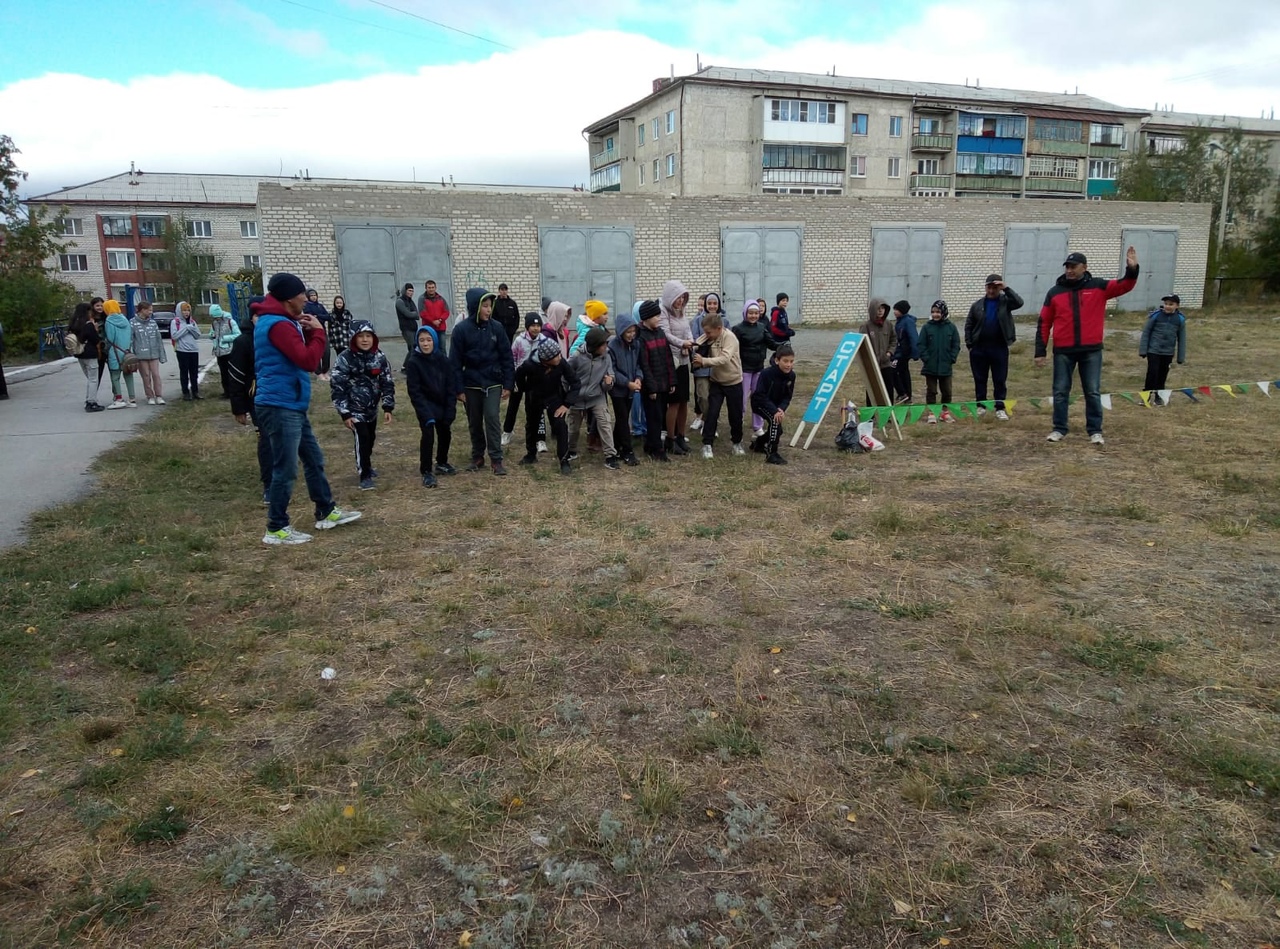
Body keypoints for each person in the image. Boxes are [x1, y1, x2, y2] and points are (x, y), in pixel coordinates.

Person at [255, 272, 360, 546]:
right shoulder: (278, 325)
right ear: (289, 298)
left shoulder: (281, 320)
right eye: (301, 293)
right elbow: (308, 361)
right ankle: (276, 527)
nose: (305, 298)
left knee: (313, 459)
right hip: (280, 405)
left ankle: (326, 510)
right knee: (286, 468)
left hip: (291, 403)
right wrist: (318, 333)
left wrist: (308, 330)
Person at [1036, 248, 1139, 445]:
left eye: (1073, 267)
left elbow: (1124, 285)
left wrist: (1132, 269)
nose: (1069, 270)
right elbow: (1044, 321)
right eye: (1067, 267)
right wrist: (1040, 351)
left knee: (1092, 391)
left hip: (1091, 350)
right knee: (1060, 392)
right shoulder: (1055, 292)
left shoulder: (1099, 286)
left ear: (1084, 267)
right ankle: (1059, 429)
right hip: (1063, 351)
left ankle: (1095, 431)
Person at [450, 287, 514, 475]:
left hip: (492, 381)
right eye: (484, 306)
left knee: (492, 417)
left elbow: (507, 357)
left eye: (490, 306)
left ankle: (496, 459)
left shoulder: (497, 328)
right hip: (471, 384)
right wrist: (458, 389)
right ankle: (477, 456)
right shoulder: (461, 330)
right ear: (475, 307)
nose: (488, 309)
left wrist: (508, 384)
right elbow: (454, 362)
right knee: (474, 421)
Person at [330, 319, 395, 491]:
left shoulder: (379, 357)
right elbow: (337, 386)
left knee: (370, 437)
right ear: (353, 338)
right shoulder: (345, 358)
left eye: (368, 336)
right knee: (362, 437)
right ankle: (364, 474)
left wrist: (387, 406)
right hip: (354, 410)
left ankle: (367, 464)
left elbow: (387, 381)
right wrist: (345, 413)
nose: (365, 340)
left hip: (371, 409)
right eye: (361, 336)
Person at [226, 297, 272, 501]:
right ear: (252, 317)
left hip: (279, 396)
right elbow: (235, 377)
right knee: (266, 438)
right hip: (257, 397)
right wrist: (239, 408)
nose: (262, 320)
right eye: (258, 316)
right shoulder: (243, 342)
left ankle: (283, 476)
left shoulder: (275, 337)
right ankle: (269, 485)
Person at [405, 325, 461, 488]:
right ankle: (426, 471)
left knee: (445, 432)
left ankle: (442, 462)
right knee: (428, 435)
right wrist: (425, 413)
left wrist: (450, 408)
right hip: (425, 405)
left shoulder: (443, 360)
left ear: (434, 341)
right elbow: (414, 391)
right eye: (422, 340)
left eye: (428, 340)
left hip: (442, 403)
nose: (425, 344)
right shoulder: (414, 362)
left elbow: (450, 386)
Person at [963, 274, 1023, 420]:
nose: (991, 291)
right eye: (989, 287)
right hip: (979, 348)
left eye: (994, 288)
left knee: (999, 379)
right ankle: (981, 406)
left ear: (999, 288)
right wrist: (970, 344)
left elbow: (1019, 302)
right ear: (985, 288)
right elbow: (969, 325)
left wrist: (1006, 289)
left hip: (999, 347)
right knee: (980, 379)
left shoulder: (1006, 302)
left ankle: (1000, 408)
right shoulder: (977, 305)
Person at [515, 339, 578, 475]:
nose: (560, 357)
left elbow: (575, 382)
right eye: (556, 356)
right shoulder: (529, 365)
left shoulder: (561, 362)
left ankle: (564, 460)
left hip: (554, 397)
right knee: (532, 425)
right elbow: (519, 376)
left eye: (559, 354)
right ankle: (531, 454)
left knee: (560, 425)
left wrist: (566, 404)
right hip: (535, 397)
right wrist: (526, 389)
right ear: (546, 360)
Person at [692, 311, 745, 458]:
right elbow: (696, 345)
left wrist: (704, 361)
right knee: (711, 412)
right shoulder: (708, 336)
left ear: (719, 329)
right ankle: (707, 444)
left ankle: (737, 443)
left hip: (733, 381)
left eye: (709, 332)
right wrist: (693, 347)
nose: (706, 335)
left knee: (735, 414)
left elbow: (724, 359)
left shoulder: (730, 338)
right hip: (716, 382)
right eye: (705, 332)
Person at [567, 326, 620, 470]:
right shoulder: (577, 356)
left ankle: (610, 456)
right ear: (595, 346)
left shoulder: (606, 356)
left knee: (605, 423)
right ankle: (571, 450)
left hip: (597, 396)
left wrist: (608, 383)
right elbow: (565, 375)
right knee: (573, 427)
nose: (606, 347)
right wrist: (569, 393)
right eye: (603, 344)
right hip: (577, 398)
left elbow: (611, 375)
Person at [635, 299, 675, 462]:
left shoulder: (660, 333)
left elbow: (668, 358)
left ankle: (650, 445)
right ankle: (657, 449)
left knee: (660, 415)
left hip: (664, 383)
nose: (659, 319)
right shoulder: (641, 336)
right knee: (654, 418)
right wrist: (651, 388)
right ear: (646, 318)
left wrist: (672, 381)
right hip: (651, 387)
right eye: (656, 316)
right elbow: (644, 364)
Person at [659, 280, 694, 455]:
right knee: (673, 402)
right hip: (671, 362)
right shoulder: (663, 311)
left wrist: (690, 342)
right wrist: (682, 343)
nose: (680, 301)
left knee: (683, 401)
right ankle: (670, 439)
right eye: (678, 298)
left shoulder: (682, 311)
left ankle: (681, 436)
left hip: (684, 360)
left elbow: (687, 330)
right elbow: (665, 334)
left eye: (683, 298)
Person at [732, 299, 776, 438]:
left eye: (756, 313)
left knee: (758, 398)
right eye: (750, 313)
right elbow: (733, 348)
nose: (753, 316)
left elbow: (771, 343)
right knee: (742, 399)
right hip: (744, 369)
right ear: (745, 313)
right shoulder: (738, 329)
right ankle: (738, 423)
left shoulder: (762, 327)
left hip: (758, 369)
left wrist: (782, 347)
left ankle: (758, 427)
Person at [607, 306, 644, 467]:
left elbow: (639, 365)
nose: (631, 335)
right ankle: (628, 451)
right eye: (628, 332)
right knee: (623, 419)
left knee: (622, 418)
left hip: (631, 388)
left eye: (633, 331)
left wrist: (638, 378)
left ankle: (615, 446)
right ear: (621, 331)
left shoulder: (636, 345)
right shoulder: (612, 346)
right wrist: (627, 383)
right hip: (618, 389)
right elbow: (613, 369)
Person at [750, 343, 796, 466]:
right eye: (785, 361)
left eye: (791, 361)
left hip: (776, 406)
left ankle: (759, 443)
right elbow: (760, 395)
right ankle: (772, 453)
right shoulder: (766, 374)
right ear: (777, 360)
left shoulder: (791, 376)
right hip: (760, 403)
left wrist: (781, 409)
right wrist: (774, 411)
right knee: (775, 422)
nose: (788, 365)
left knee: (778, 430)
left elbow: (787, 396)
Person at [502, 313, 543, 448]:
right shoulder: (519, 340)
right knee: (513, 406)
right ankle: (507, 431)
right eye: (533, 325)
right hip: (519, 377)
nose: (536, 328)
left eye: (538, 325)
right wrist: (513, 376)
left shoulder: (543, 340)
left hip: (535, 379)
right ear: (527, 327)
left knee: (534, 408)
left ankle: (538, 438)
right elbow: (512, 358)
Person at [1139, 294, 1187, 404]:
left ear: (1177, 306)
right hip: (1153, 350)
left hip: (1168, 353)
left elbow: (1182, 339)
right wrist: (1143, 350)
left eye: (1171, 304)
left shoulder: (1180, 319)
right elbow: (1146, 333)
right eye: (1166, 304)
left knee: (1162, 375)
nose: (1168, 306)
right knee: (1152, 373)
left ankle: (1158, 397)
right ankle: (1146, 396)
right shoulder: (1155, 316)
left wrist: (1181, 357)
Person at [919, 300, 961, 424]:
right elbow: (921, 345)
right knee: (931, 391)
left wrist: (952, 358)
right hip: (930, 366)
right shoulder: (927, 327)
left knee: (947, 391)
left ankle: (944, 412)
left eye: (938, 312)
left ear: (943, 312)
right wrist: (926, 358)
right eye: (933, 312)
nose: (935, 314)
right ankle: (932, 412)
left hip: (945, 366)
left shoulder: (951, 327)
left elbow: (956, 344)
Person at [689, 292, 724, 433]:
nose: (712, 306)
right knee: (702, 396)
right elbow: (695, 342)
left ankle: (710, 424)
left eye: (715, 303)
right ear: (705, 305)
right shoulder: (697, 321)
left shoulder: (724, 321)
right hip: (702, 365)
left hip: (717, 366)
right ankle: (707, 420)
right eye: (709, 303)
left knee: (714, 398)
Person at [859, 297, 897, 406]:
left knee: (888, 388)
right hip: (872, 364)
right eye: (878, 308)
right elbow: (861, 344)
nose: (880, 311)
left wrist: (889, 353)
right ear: (872, 310)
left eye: (883, 308)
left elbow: (894, 340)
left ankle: (888, 412)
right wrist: (869, 359)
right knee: (872, 389)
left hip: (885, 363)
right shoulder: (866, 326)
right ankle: (870, 413)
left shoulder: (888, 324)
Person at [68, 302, 105, 412]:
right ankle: (91, 402)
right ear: (87, 312)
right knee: (93, 379)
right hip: (90, 353)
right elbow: (95, 339)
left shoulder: (74, 325)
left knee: (90, 378)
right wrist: (96, 330)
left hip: (80, 354)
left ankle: (89, 399)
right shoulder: (88, 325)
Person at [101, 300, 137, 409]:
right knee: (128, 374)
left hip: (115, 351)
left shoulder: (109, 321)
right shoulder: (125, 319)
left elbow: (110, 338)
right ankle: (132, 399)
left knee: (115, 376)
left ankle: (119, 399)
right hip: (127, 351)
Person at [130, 301, 167, 406]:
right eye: (149, 310)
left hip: (154, 353)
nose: (151, 312)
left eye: (151, 310)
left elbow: (158, 339)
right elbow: (130, 339)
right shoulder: (132, 322)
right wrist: (131, 354)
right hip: (141, 355)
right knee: (146, 376)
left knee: (156, 374)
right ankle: (150, 396)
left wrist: (162, 355)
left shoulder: (153, 323)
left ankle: (159, 396)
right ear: (142, 310)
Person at [170, 301, 203, 400]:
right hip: (182, 351)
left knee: (194, 373)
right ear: (179, 311)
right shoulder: (175, 322)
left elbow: (197, 335)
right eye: (184, 310)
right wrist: (186, 328)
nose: (186, 312)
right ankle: (185, 392)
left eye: (188, 310)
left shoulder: (192, 322)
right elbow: (174, 336)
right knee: (184, 373)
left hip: (193, 350)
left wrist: (191, 328)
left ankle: (195, 391)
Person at [889, 300, 919, 405]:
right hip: (898, 352)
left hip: (902, 353)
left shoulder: (908, 322)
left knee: (892, 371)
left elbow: (913, 337)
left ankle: (903, 393)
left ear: (902, 310)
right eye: (894, 309)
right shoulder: (899, 321)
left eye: (896, 310)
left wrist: (915, 353)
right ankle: (907, 396)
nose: (894, 312)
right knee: (903, 373)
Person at [208, 303, 240, 399]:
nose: (216, 319)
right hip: (219, 352)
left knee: (231, 373)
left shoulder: (230, 322)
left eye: (216, 317)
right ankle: (226, 392)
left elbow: (238, 334)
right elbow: (211, 333)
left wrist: (225, 338)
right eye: (214, 318)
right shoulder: (214, 323)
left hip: (229, 351)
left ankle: (233, 391)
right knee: (223, 373)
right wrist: (212, 335)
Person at [304, 289, 332, 380]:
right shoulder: (306, 306)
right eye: (311, 295)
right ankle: (318, 372)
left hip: (322, 330)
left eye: (315, 295)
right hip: (312, 332)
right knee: (316, 352)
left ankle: (325, 371)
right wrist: (318, 317)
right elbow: (310, 317)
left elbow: (328, 317)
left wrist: (318, 316)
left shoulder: (320, 306)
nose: (314, 297)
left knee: (326, 351)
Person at [419, 279, 451, 353]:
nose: (431, 289)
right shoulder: (422, 299)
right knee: (430, 348)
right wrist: (432, 321)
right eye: (429, 288)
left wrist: (440, 320)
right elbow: (422, 313)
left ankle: (443, 360)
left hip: (441, 328)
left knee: (442, 348)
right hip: (429, 328)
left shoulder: (441, 299)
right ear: (426, 288)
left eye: (432, 287)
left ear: (435, 288)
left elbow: (446, 312)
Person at [396, 283, 418, 370]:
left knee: (414, 347)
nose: (411, 293)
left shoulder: (410, 301)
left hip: (414, 327)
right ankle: (405, 367)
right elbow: (407, 313)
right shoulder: (400, 301)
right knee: (412, 347)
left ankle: (411, 366)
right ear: (405, 291)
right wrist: (413, 314)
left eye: (412, 291)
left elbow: (417, 313)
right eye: (409, 290)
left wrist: (413, 314)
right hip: (406, 328)